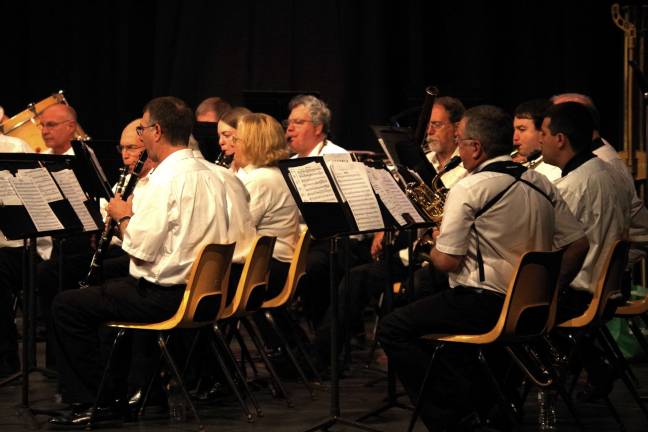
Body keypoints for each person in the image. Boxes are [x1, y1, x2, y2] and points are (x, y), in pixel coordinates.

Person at [378, 105, 588, 430]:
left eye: (461, 142)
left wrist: (435, 241)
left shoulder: (470, 187)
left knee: (392, 328)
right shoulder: (541, 182)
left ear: (476, 148)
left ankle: (455, 416)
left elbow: (447, 262)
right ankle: (484, 402)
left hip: (484, 304)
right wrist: (553, 289)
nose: (458, 150)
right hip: (532, 307)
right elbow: (578, 244)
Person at [48, 96, 233, 427]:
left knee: (67, 305)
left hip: (169, 297)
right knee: (108, 291)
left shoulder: (164, 180)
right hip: (208, 293)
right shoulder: (218, 174)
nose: (142, 136)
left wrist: (122, 216)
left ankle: (97, 403)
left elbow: (140, 249)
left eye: (143, 129)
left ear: (158, 131)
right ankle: (143, 393)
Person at [234, 113, 300, 295]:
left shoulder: (261, 180)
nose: (233, 145)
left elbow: (237, 231)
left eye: (236, 139)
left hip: (265, 271)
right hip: (271, 265)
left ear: (251, 143)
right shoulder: (272, 174)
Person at [513, 98, 562, 181]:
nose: (515, 138)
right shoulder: (522, 162)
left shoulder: (553, 172)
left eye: (522, 129)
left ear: (542, 131)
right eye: (514, 130)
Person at [217, 106, 252, 171]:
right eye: (219, 136)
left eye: (227, 135)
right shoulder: (231, 168)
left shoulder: (260, 174)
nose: (220, 142)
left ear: (246, 134)